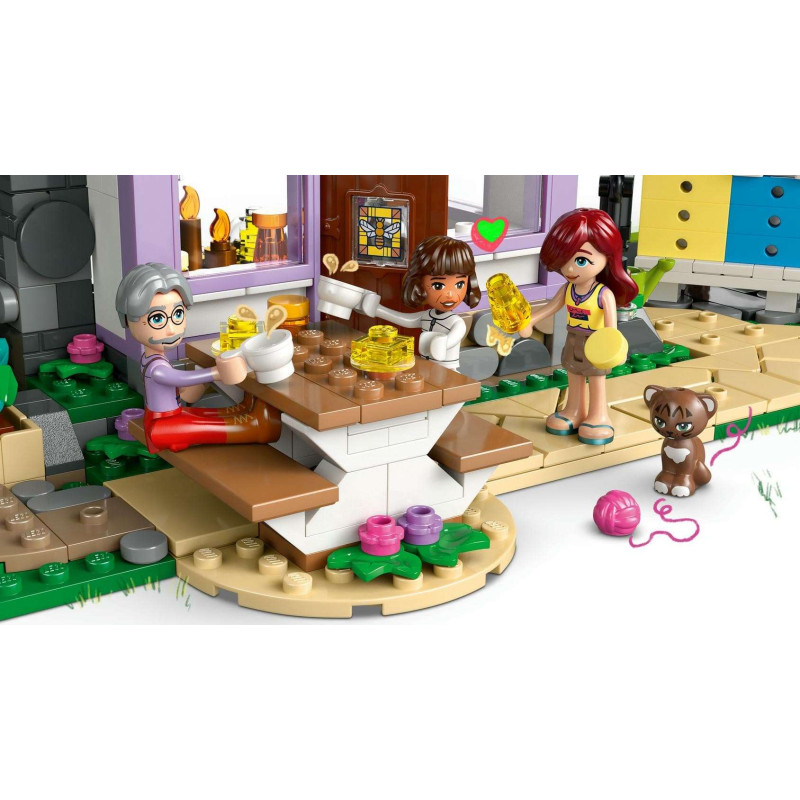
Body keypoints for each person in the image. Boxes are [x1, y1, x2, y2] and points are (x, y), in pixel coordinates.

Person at [115, 262, 280, 453]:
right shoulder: (157, 368)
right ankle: (256, 427)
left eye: (178, 314)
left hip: (168, 416)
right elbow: (179, 378)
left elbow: (179, 387)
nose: (172, 329)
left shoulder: (149, 358)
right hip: (162, 427)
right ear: (128, 320)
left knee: (195, 415)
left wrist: (204, 380)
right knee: (203, 426)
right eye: (157, 319)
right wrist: (215, 373)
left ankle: (241, 411)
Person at [519, 209, 638, 446]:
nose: (570, 269)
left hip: (597, 342)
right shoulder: (568, 290)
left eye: (581, 260)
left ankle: (599, 416)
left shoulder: (603, 294)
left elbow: (611, 329)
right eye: (564, 261)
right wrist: (530, 321)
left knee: (596, 379)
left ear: (607, 256)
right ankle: (574, 411)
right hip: (573, 339)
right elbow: (551, 308)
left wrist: (612, 349)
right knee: (573, 374)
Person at [359, 236, 480, 371]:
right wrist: (378, 310)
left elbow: (455, 337)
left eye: (459, 284)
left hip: (448, 369)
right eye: (438, 285)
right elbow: (404, 319)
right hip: (426, 367)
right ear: (419, 284)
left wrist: (443, 343)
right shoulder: (426, 316)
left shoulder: (456, 322)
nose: (450, 294)